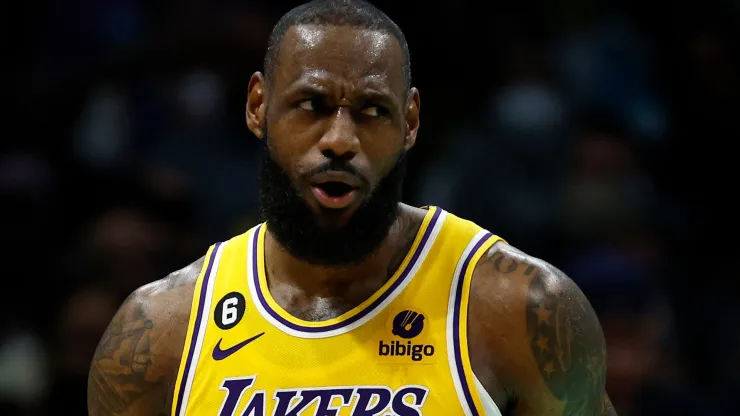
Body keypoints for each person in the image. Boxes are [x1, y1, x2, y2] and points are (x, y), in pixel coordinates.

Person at [87, 1, 617, 415]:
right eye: (312, 105)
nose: (340, 139)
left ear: (409, 122)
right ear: (258, 107)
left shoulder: (520, 310)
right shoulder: (158, 334)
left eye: (371, 111)